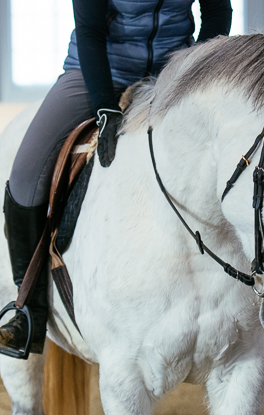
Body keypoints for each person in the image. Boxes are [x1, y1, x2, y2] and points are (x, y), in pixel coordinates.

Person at [0, 0, 232, 358]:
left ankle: (256, 295)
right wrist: (105, 105)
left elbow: (217, 11)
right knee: (25, 174)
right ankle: (27, 306)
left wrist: (196, 65)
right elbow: (90, 31)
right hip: (98, 71)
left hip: (174, 73)